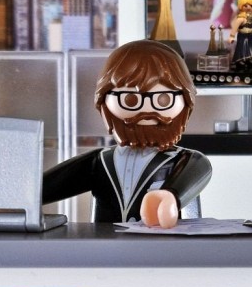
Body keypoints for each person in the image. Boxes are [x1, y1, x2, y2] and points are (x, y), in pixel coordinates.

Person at [43, 40, 212, 228]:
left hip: (164, 242)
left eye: (163, 99)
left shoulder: (183, 160)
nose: (147, 110)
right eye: (131, 99)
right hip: (105, 243)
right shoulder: (101, 161)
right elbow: (45, 188)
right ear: (105, 99)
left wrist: (170, 195)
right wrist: (24, 196)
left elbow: (200, 171)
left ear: (185, 99)